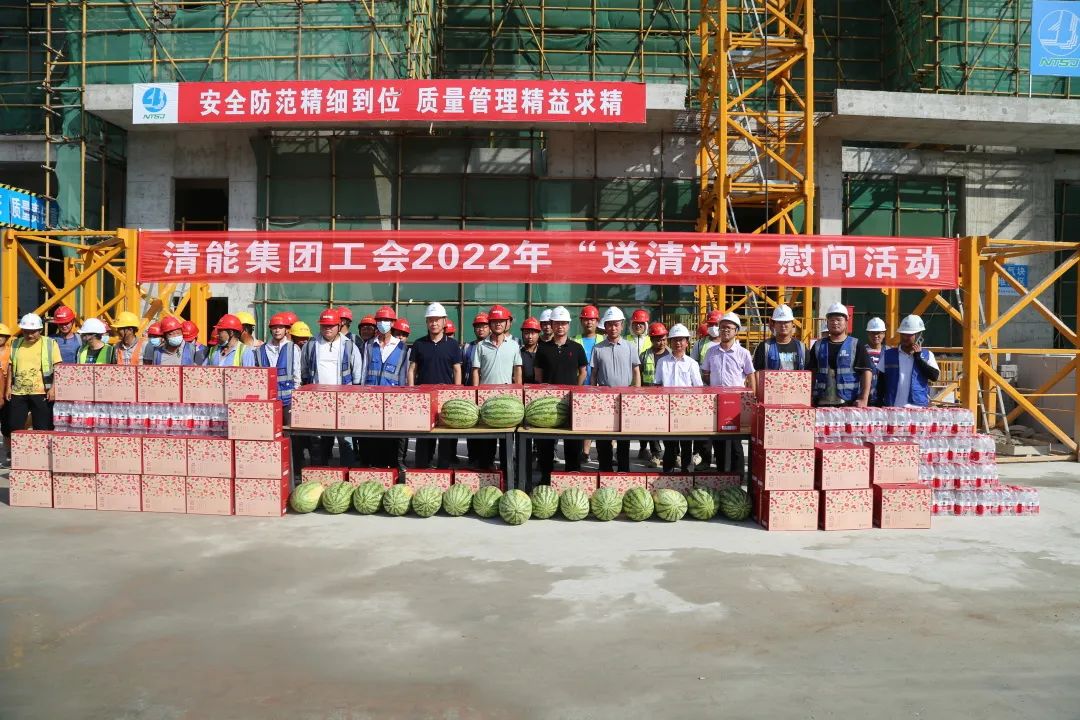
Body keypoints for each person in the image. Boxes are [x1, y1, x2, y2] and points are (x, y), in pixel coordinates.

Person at [534, 306, 587, 485]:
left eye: (564, 323)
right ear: (551, 324)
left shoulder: (576, 348)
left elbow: (583, 372)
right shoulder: (543, 349)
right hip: (548, 404)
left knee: (572, 444)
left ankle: (571, 478)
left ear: (568, 325)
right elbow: (538, 375)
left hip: (570, 402)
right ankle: (546, 479)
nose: (560, 326)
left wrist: (575, 390)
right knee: (546, 445)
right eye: (557, 323)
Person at [301, 308, 362, 466]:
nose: (327, 328)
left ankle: (347, 473)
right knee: (317, 440)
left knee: (345, 439)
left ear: (339, 326)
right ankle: (319, 472)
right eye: (324, 325)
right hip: (317, 401)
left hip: (343, 401)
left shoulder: (349, 345)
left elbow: (357, 375)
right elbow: (304, 371)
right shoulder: (311, 345)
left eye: (331, 325)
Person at [408, 303, 463, 469]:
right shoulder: (419, 344)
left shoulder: (452, 345)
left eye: (437, 320)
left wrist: (456, 393)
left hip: (446, 398)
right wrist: (412, 391)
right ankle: (422, 469)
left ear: (444, 321)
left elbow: (457, 370)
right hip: (424, 397)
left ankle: (443, 470)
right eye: (430, 320)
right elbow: (412, 369)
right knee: (424, 436)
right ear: (427, 322)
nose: (434, 323)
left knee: (445, 437)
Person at [701, 312, 755, 474]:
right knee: (718, 440)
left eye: (729, 328)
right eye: (722, 327)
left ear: (736, 331)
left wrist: (752, 398)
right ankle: (722, 475)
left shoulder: (743, 353)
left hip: (736, 403)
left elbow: (750, 376)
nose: (725, 330)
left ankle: (737, 476)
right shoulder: (711, 352)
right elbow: (705, 373)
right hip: (717, 402)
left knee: (735, 442)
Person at [471, 305, 522, 471]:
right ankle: (487, 474)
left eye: (501, 321)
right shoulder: (481, 346)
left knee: (507, 442)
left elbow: (517, 370)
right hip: (486, 399)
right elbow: (476, 371)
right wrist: (476, 394)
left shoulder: (514, 345)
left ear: (507, 323)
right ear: (490, 324)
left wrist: (518, 393)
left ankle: (507, 474)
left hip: (508, 400)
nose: (498, 324)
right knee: (486, 443)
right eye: (494, 321)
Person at [591, 307, 641, 473]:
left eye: (616, 324)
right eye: (610, 324)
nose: (613, 328)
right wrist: (593, 396)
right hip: (604, 399)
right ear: (605, 326)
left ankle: (623, 472)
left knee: (624, 438)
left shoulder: (630, 347)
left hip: (626, 397)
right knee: (603, 438)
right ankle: (605, 470)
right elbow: (594, 374)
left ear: (622, 325)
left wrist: (636, 394)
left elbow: (636, 371)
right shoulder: (598, 348)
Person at [361, 306, 409, 471]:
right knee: (372, 435)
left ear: (393, 323)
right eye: (380, 320)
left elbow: (403, 375)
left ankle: (391, 469)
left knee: (390, 436)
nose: (383, 323)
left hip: (392, 399)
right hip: (371, 398)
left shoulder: (402, 348)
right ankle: (373, 467)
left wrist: (402, 397)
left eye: (387, 320)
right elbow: (364, 371)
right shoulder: (369, 345)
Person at [653, 323, 702, 473]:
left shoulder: (692, 364)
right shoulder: (662, 362)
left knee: (686, 445)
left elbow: (698, 388)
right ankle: (668, 474)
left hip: (686, 411)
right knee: (670, 445)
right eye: (675, 339)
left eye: (681, 339)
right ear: (670, 342)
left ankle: (687, 475)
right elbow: (657, 385)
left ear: (687, 342)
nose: (678, 343)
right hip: (667, 410)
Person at [259, 312, 303, 469]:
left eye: (280, 327)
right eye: (274, 327)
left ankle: (295, 467)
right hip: (268, 401)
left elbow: (297, 375)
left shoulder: (293, 348)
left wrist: (295, 397)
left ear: (286, 330)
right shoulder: (261, 350)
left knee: (292, 437)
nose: (277, 330)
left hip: (288, 401)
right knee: (270, 436)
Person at [807, 303, 872, 407]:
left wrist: (864, 398)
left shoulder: (855, 345)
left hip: (848, 401)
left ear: (846, 321)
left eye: (838, 319)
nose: (835, 323)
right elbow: (811, 373)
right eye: (831, 320)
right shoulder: (818, 345)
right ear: (827, 322)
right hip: (822, 401)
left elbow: (866, 372)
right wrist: (808, 396)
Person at [5, 314, 61, 432]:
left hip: (42, 393)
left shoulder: (50, 344)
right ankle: (19, 445)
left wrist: (53, 388)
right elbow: (11, 365)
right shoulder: (16, 343)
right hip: (18, 392)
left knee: (42, 428)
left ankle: (41, 445)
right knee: (14, 427)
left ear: (40, 330)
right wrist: (8, 387)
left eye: (33, 332)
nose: (29, 335)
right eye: (26, 332)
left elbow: (58, 367)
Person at [880, 314, 940, 407]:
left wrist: (918, 359)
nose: (905, 337)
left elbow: (934, 376)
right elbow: (880, 382)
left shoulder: (927, 355)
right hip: (893, 408)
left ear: (919, 335)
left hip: (918, 408)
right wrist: (880, 403)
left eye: (909, 335)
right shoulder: (888, 355)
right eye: (903, 334)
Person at [637, 322, 669, 467]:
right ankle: (655, 454)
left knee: (668, 427)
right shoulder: (644, 356)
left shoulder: (671, 354)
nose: (661, 342)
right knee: (651, 426)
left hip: (666, 396)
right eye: (657, 339)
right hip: (648, 396)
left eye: (663, 339)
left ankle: (673, 454)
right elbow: (638, 375)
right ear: (651, 339)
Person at [574, 305, 600, 461]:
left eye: (592, 319)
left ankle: (608, 453)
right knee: (583, 420)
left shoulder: (603, 339)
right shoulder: (575, 340)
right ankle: (584, 452)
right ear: (581, 322)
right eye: (586, 319)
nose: (589, 322)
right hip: (581, 385)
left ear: (597, 321)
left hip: (600, 387)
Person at [753, 304, 807, 371]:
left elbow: (808, 372)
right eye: (779, 322)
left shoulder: (801, 347)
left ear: (792, 324)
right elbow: (757, 372)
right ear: (773, 325)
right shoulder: (764, 347)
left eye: (786, 322)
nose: (783, 325)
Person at [462, 312, 489, 387]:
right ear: (474, 329)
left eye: (484, 327)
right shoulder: (467, 347)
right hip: (470, 388)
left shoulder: (494, 347)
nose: (481, 329)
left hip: (488, 388)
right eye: (478, 327)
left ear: (490, 328)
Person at [865, 317, 887, 406]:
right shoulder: (861, 352)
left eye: (879, 333)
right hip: (866, 398)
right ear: (868, 334)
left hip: (885, 399)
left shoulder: (889, 352)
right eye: (873, 333)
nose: (876, 336)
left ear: (884, 334)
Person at [0, 323, 11, 466]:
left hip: (8, 391)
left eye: (2, 336)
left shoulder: (11, 351)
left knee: (7, 425)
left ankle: (9, 453)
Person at [519, 317, 541, 383]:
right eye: (526, 333)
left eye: (533, 333)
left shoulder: (543, 353)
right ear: (522, 334)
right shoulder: (518, 353)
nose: (530, 337)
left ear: (538, 335)